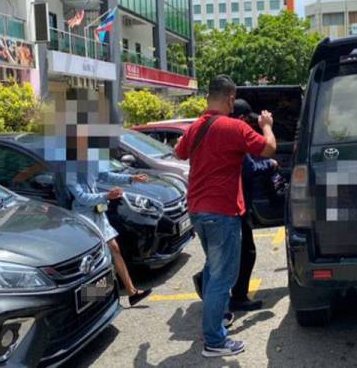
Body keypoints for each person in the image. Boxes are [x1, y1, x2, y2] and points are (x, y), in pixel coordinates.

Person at [175, 75, 276, 358]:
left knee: (212, 270)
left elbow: (178, 152)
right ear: (231, 98)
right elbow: (269, 149)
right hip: (222, 212)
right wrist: (266, 126)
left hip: (197, 210)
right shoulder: (233, 127)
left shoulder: (195, 126)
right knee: (223, 278)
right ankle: (214, 341)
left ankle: (215, 322)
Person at [67, 136, 153, 307]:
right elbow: (81, 197)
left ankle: (131, 292)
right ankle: (90, 299)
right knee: (93, 259)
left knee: (114, 248)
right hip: (84, 216)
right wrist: (106, 196)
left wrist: (131, 178)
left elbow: (105, 175)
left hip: (97, 212)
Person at [230, 99, 278, 311]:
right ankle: (235, 296)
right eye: (247, 120)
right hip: (234, 204)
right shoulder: (236, 133)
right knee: (245, 252)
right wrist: (271, 164)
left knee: (229, 252)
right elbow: (250, 169)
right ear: (241, 118)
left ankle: (227, 292)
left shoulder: (218, 130)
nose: (249, 125)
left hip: (222, 203)